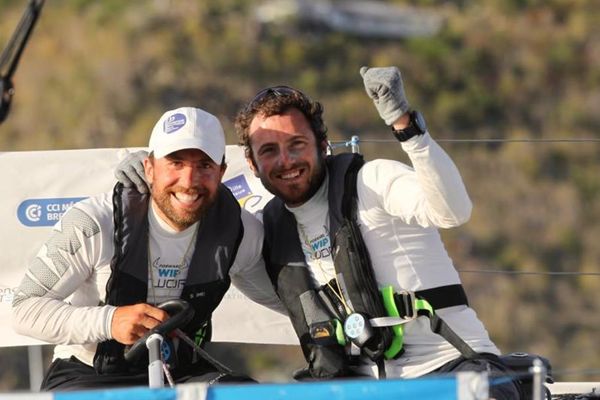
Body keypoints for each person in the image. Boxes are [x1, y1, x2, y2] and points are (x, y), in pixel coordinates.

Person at [232, 66, 523, 399]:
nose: (286, 160)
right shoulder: (268, 232)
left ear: (323, 145)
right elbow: (250, 277)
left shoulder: (373, 181)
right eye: (269, 150)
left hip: (452, 368)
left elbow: (453, 211)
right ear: (252, 164)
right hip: (358, 386)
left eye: (297, 144)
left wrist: (406, 126)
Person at [12, 106, 284, 391]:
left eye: (204, 165)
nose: (189, 181)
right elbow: (24, 310)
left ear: (221, 172)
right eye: (176, 163)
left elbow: (281, 298)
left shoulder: (241, 230)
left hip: (181, 372)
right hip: (89, 373)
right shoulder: (94, 221)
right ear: (149, 168)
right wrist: (109, 320)